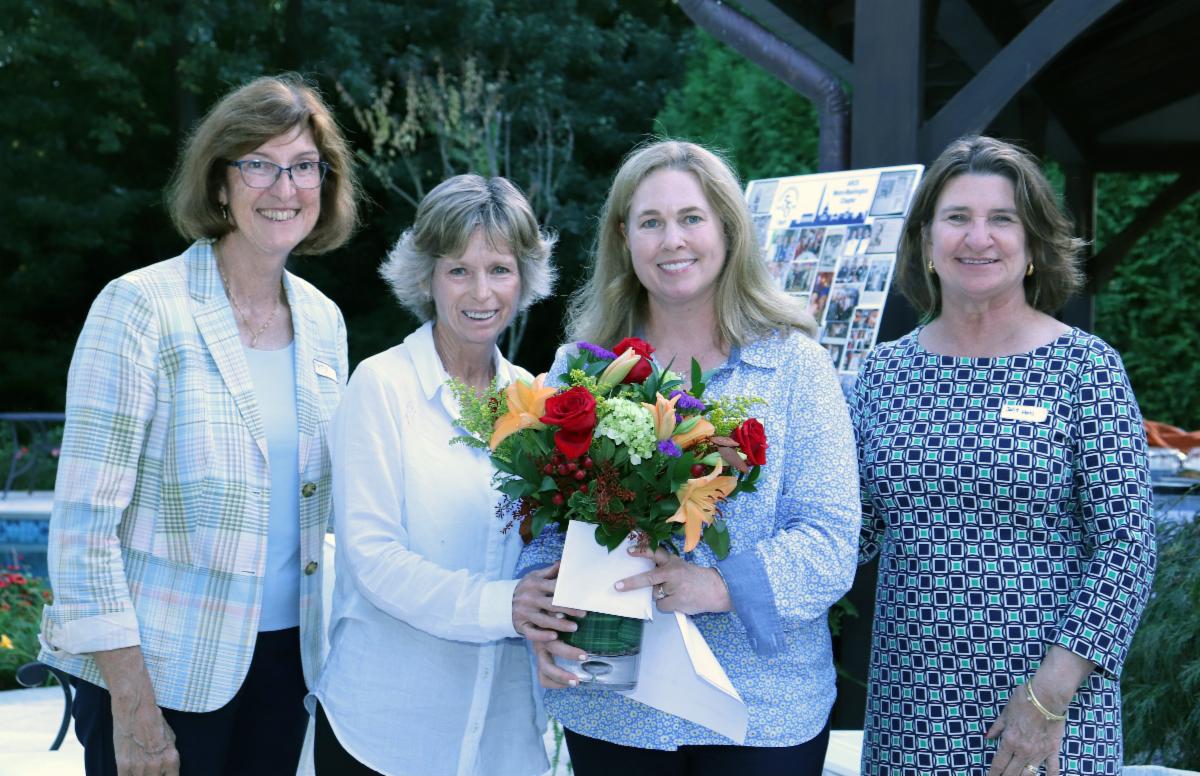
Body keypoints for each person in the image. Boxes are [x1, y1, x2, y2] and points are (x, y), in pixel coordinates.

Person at [38, 74, 360, 775]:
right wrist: (133, 707)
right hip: (157, 675)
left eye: (304, 165)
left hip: (284, 669)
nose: (285, 187)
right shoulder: (140, 307)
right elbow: (83, 532)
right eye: (259, 164)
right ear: (219, 183)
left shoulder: (324, 321)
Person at [516, 139, 861, 775]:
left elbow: (830, 541)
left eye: (691, 218)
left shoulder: (797, 368)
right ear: (623, 238)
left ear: (728, 230)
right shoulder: (579, 370)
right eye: (650, 222)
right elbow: (541, 518)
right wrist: (539, 604)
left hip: (760, 713)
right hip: (613, 702)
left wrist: (718, 585)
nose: (672, 240)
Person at [853, 135, 1157, 776]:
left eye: (1001, 219)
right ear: (926, 240)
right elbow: (849, 532)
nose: (978, 238)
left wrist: (1048, 696)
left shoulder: (1086, 368)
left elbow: (1127, 550)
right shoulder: (881, 375)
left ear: (1033, 243)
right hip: (912, 708)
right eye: (957, 217)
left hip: (1054, 712)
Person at [311, 174, 574, 776]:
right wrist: (504, 605)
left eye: (500, 269)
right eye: (459, 270)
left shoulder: (537, 400)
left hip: (505, 743)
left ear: (525, 277)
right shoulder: (381, 386)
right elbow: (374, 559)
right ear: (426, 276)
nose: (481, 292)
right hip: (384, 737)